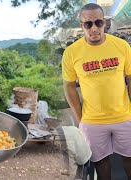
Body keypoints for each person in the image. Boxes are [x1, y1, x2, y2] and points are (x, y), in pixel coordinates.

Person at [62, 3, 131, 180]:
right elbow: (69, 85)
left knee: (129, 160)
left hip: (124, 117)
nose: (94, 28)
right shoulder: (71, 53)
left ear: (105, 24)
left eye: (98, 23)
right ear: (82, 25)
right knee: (101, 163)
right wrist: (80, 119)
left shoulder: (122, 46)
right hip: (92, 121)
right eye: (88, 24)